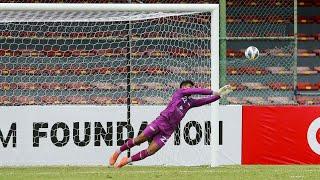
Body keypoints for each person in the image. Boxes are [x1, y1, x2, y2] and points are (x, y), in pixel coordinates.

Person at [109, 80, 233, 168]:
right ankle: (118, 152)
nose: (190, 89)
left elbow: (204, 101)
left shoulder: (190, 102)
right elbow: (198, 90)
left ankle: (126, 160)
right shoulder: (179, 93)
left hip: (168, 130)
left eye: (191, 87)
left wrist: (219, 95)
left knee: (151, 151)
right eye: (188, 87)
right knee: (139, 139)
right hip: (160, 121)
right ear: (183, 87)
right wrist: (213, 91)